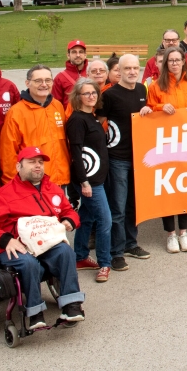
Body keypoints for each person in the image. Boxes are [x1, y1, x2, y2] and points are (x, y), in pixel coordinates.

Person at [0, 146, 85, 328]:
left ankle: (71, 305)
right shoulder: (4, 195)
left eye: (40, 163)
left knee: (66, 252)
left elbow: (68, 211)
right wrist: (6, 239)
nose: (37, 166)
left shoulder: (53, 190)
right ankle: (34, 312)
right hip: (17, 244)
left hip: (46, 242)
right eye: (32, 162)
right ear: (19, 167)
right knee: (28, 263)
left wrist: (69, 220)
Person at [147, 48, 187, 252]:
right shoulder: (156, 86)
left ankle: (184, 232)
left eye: (177, 60)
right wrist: (159, 107)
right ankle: (170, 234)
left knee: (185, 188)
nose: (173, 63)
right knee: (169, 189)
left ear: (183, 62)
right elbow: (147, 110)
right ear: (165, 64)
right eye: (170, 60)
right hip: (165, 147)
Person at [97, 54, 152, 270]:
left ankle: (131, 243)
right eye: (127, 68)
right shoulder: (109, 94)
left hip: (138, 158)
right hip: (118, 158)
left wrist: (147, 111)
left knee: (133, 205)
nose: (131, 71)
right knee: (117, 207)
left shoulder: (141, 90)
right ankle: (116, 252)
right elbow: (99, 122)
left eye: (135, 68)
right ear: (118, 70)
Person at [66, 78, 112, 283]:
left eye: (94, 93)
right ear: (78, 97)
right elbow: (75, 152)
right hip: (89, 181)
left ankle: (80, 256)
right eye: (87, 93)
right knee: (104, 220)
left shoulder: (91, 117)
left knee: (87, 218)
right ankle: (104, 263)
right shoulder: (77, 120)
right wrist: (84, 183)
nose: (91, 96)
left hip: (96, 179)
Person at [0, 64, 71, 186]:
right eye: (38, 81)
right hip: (33, 181)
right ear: (27, 83)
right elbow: (8, 152)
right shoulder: (16, 112)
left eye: (48, 80)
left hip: (60, 179)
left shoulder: (57, 106)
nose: (44, 84)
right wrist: (13, 183)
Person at [53, 40, 88, 108]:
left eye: (81, 52)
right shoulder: (60, 78)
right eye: (74, 52)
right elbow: (55, 104)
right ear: (68, 55)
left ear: (85, 55)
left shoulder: (92, 74)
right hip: (69, 117)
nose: (78, 55)